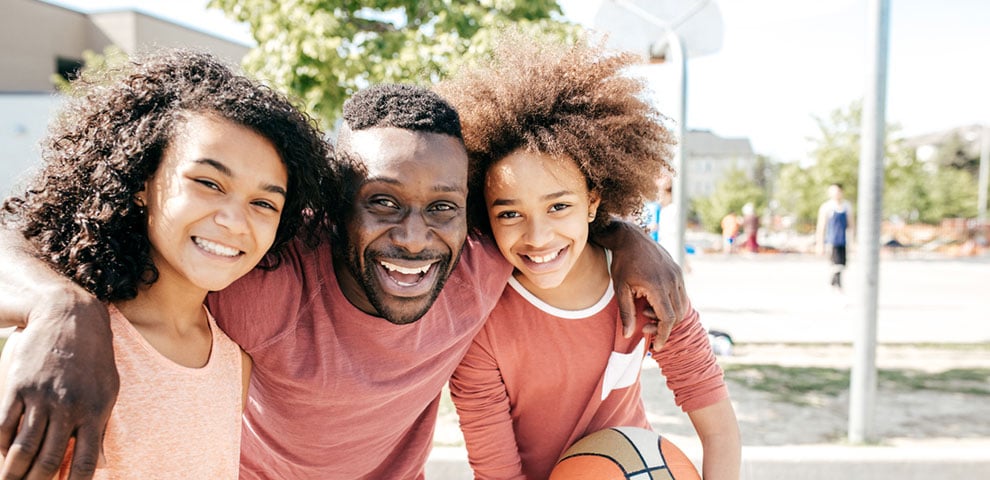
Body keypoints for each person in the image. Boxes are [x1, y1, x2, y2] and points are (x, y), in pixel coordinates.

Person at [0, 84, 688, 479]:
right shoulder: (259, 268)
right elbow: (30, 225)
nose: (415, 237)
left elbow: (546, 211)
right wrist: (61, 304)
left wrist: (625, 236)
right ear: (331, 209)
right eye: (382, 201)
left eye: (443, 207)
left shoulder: (482, 261)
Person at [0, 49, 330, 478]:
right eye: (208, 183)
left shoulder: (234, 363)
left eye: (264, 202)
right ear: (141, 181)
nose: (234, 221)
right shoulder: (66, 350)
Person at [439, 34, 741, 480]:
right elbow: (497, 471)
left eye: (559, 206)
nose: (538, 237)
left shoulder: (648, 290)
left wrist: (629, 239)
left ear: (594, 201)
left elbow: (720, 434)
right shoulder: (479, 320)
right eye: (510, 213)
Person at [815, 183, 854, 289]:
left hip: (843, 240)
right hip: (832, 241)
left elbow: (851, 225)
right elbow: (821, 227)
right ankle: (836, 286)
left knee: (842, 265)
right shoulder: (827, 207)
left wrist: (853, 241)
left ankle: (834, 284)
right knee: (835, 265)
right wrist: (820, 244)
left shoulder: (847, 206)